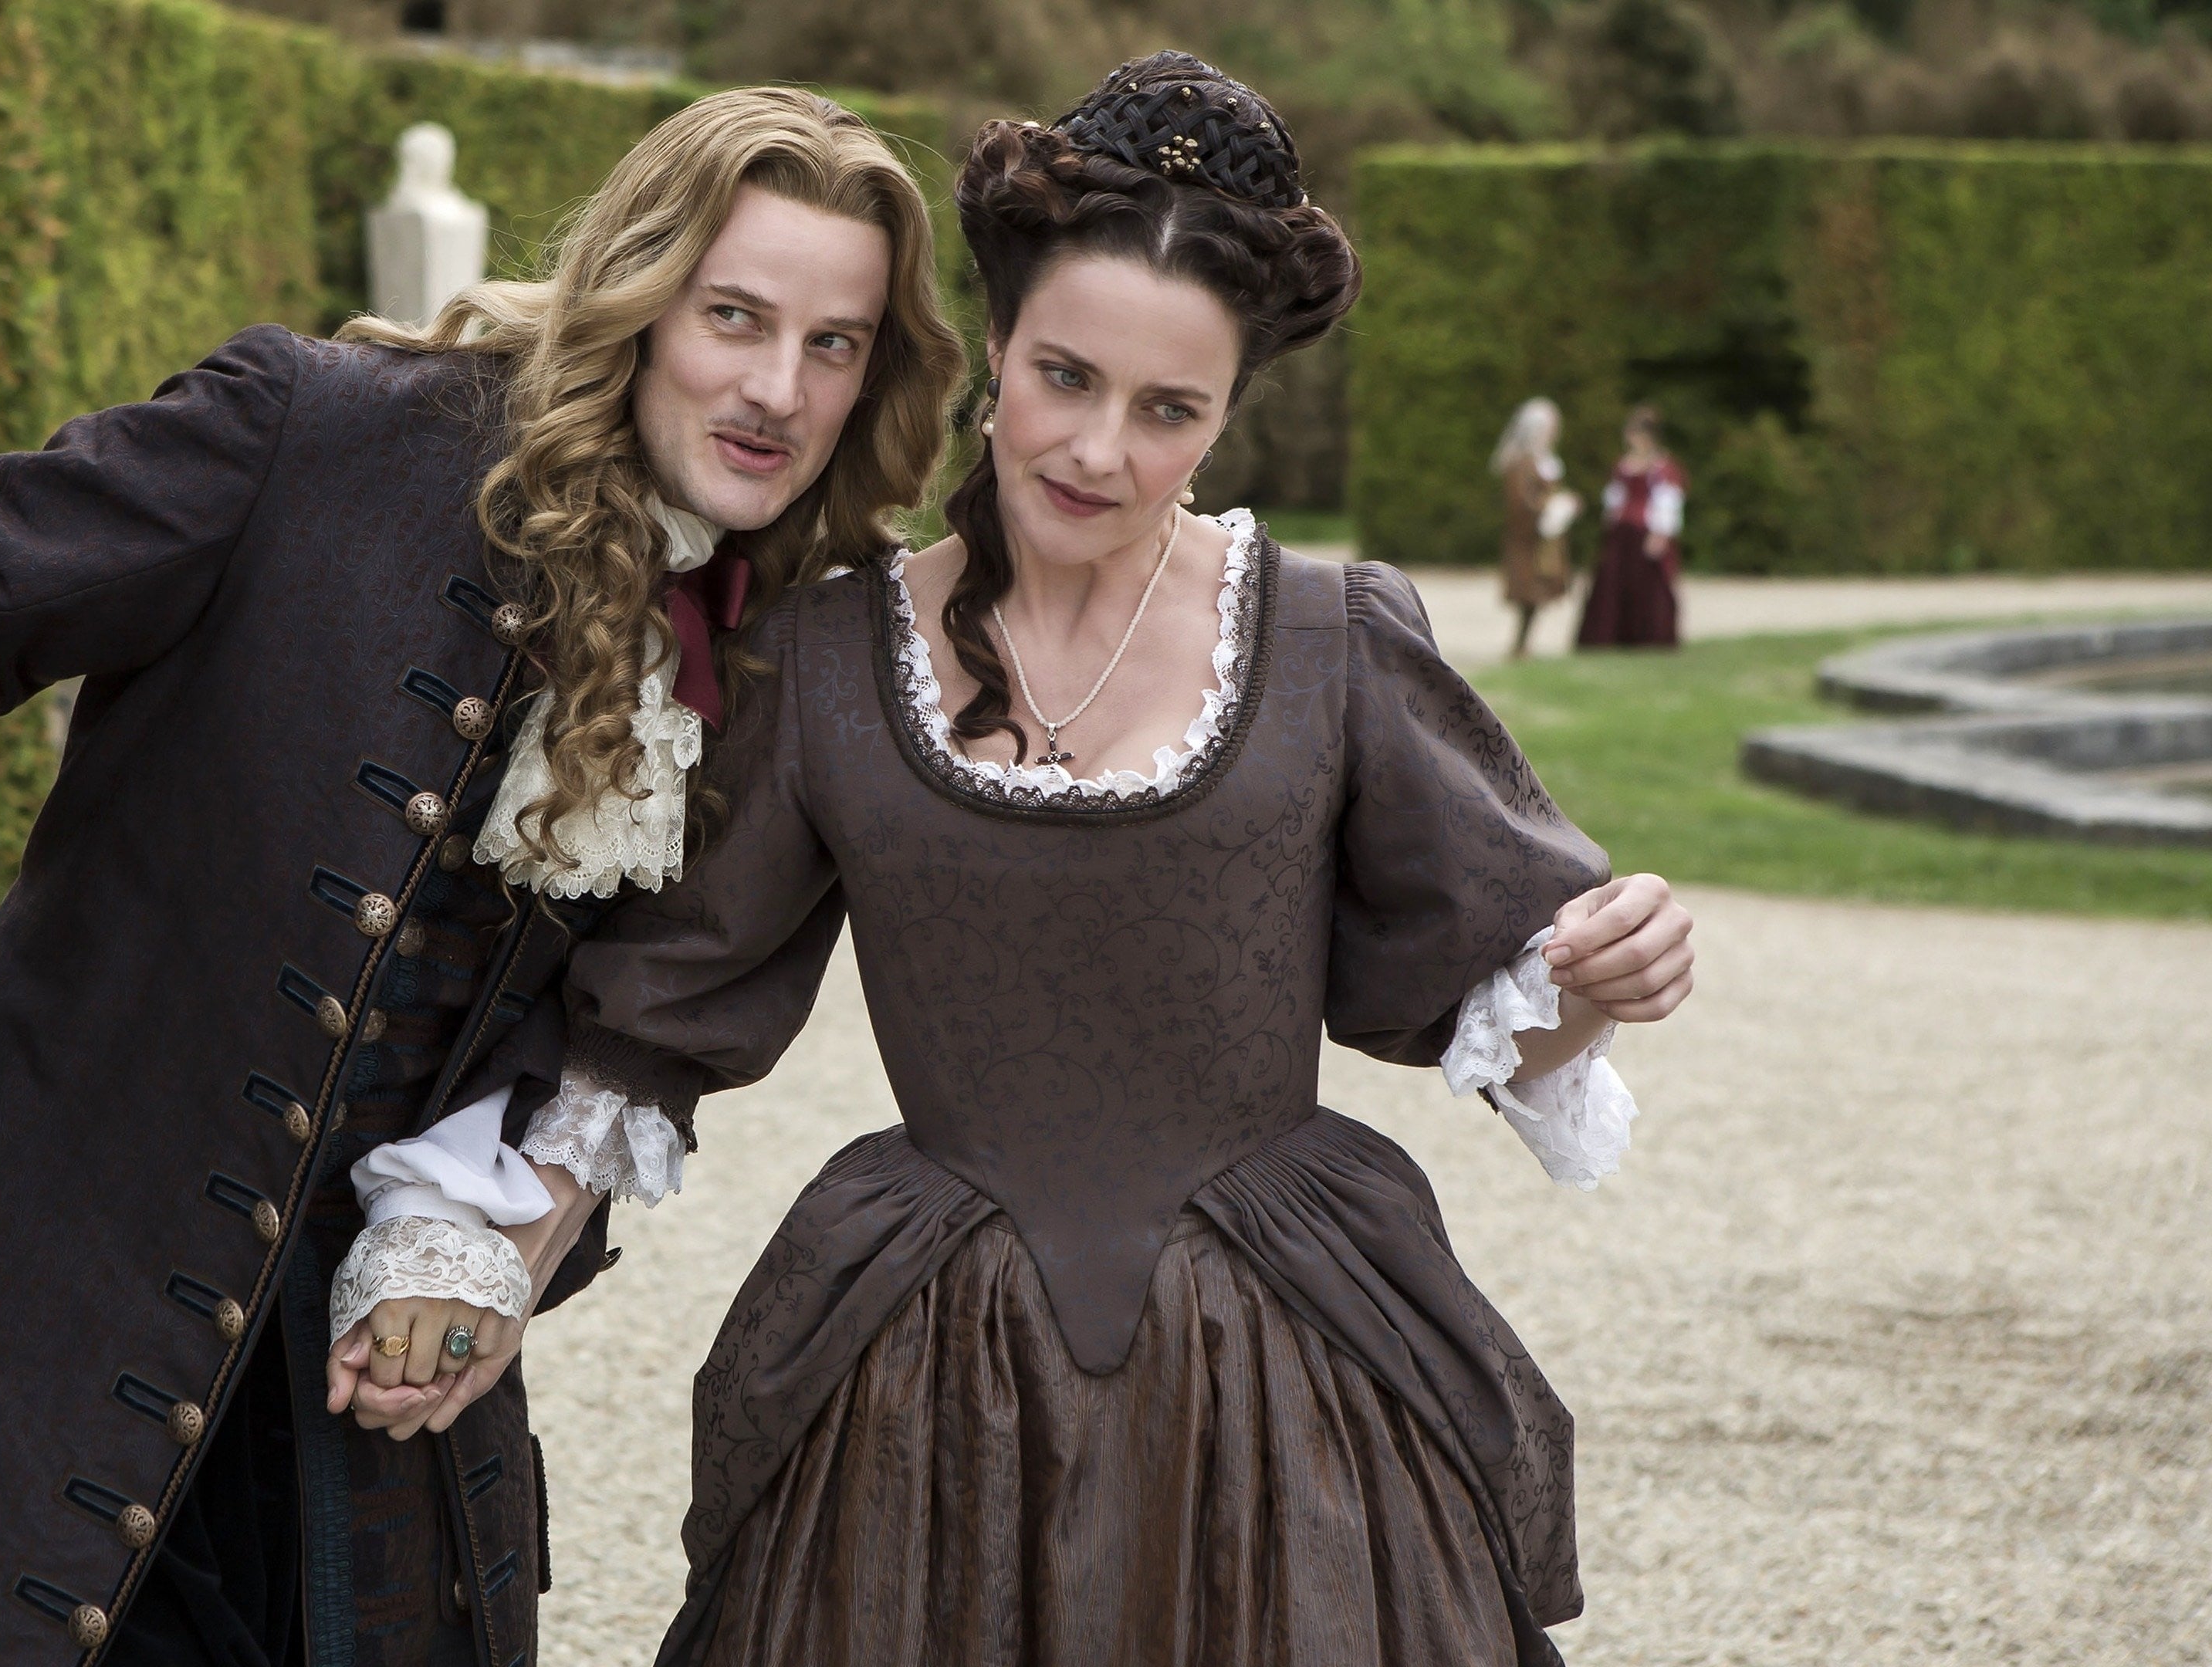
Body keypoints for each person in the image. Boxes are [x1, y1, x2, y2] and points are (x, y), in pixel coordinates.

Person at [0, 87, 960, 1667]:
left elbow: (654, 1019)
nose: (778, 390)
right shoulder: (310, 431)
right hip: (4, 1376)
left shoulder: (787, 637)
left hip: (360, 1470)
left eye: (834, 344)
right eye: (735, 316)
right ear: (641, 292)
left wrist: (499, 1225)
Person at [488, 54, 1696, 1665]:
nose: (1100, 451)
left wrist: (1601, 979)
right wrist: (472, 1273)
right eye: (1065, 377)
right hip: (925, 1372)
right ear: (996, 349)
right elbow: (653, 1027)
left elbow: (1496, 1014)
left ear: (1227, 414)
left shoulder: (1332, 637)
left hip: (1286, 1368)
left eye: (1169, 410)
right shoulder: (828, 657)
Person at [1574, 403, 1686, 648]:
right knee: (1613, 583)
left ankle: (1649, 637)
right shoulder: (1624, 465)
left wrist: (1660, 534)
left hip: (1645, 531)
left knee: (1649, 585)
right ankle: (1611, 636)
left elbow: (1668, 501)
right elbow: (1615, 498)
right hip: (1622, 533)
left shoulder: (1662, 467)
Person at [1493, 395, 1577, 658]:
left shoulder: (1544, 460)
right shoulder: (1521, 462)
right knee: (1528, 590)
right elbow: (1521, 501)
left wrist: (1563, 505)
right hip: (1528, 536)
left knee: (1538, 590)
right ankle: (1520, 645)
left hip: (1545, 537)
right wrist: (1549, 507)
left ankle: (1523, 644)